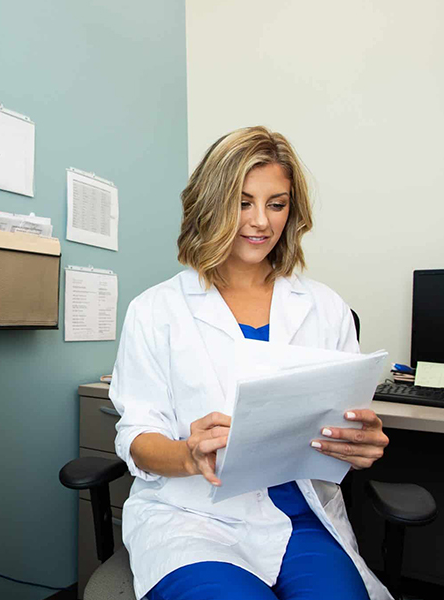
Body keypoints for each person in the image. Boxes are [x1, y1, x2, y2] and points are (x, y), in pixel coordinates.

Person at [109, 126, 391, 600]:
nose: (260, 221)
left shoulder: (325, 308)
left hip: (302, 516)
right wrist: (188, 454)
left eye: (276, 204)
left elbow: (344, 420)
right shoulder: (156, 310)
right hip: (193, 518)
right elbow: (136, 436)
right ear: (211, 204)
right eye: (243, 202)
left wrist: (362, 442)